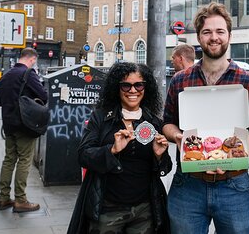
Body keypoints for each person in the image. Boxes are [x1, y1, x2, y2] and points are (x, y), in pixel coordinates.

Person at [163, 2, 249, 234]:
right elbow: (167, 122)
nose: (214, 37)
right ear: (199, 37)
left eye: (220, 31)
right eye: (207, 32)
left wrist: (235, 156)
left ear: (229, 35)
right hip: (188, 184)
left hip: (234, 185)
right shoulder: (180, 81)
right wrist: (179, 138)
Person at [67, 62, 171, 234]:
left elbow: (165, 168)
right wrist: (111, 150)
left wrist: (160, 156)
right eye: (126, 85)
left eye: (139, 85)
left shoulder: (153, 122)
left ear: (146, 88)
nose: (133, 90)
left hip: (144, 209)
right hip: (107, 208)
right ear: (117, 87)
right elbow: (83, 155)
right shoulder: (100, 118)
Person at [0, 48, 47, 213]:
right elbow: (43, 96)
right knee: (25, 160)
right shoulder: (28, 74)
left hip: (9, 124)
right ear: (32, 59)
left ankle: (4, 198)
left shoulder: (6, 75)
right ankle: (20, 200)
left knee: (9, 160)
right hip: (25, 125)